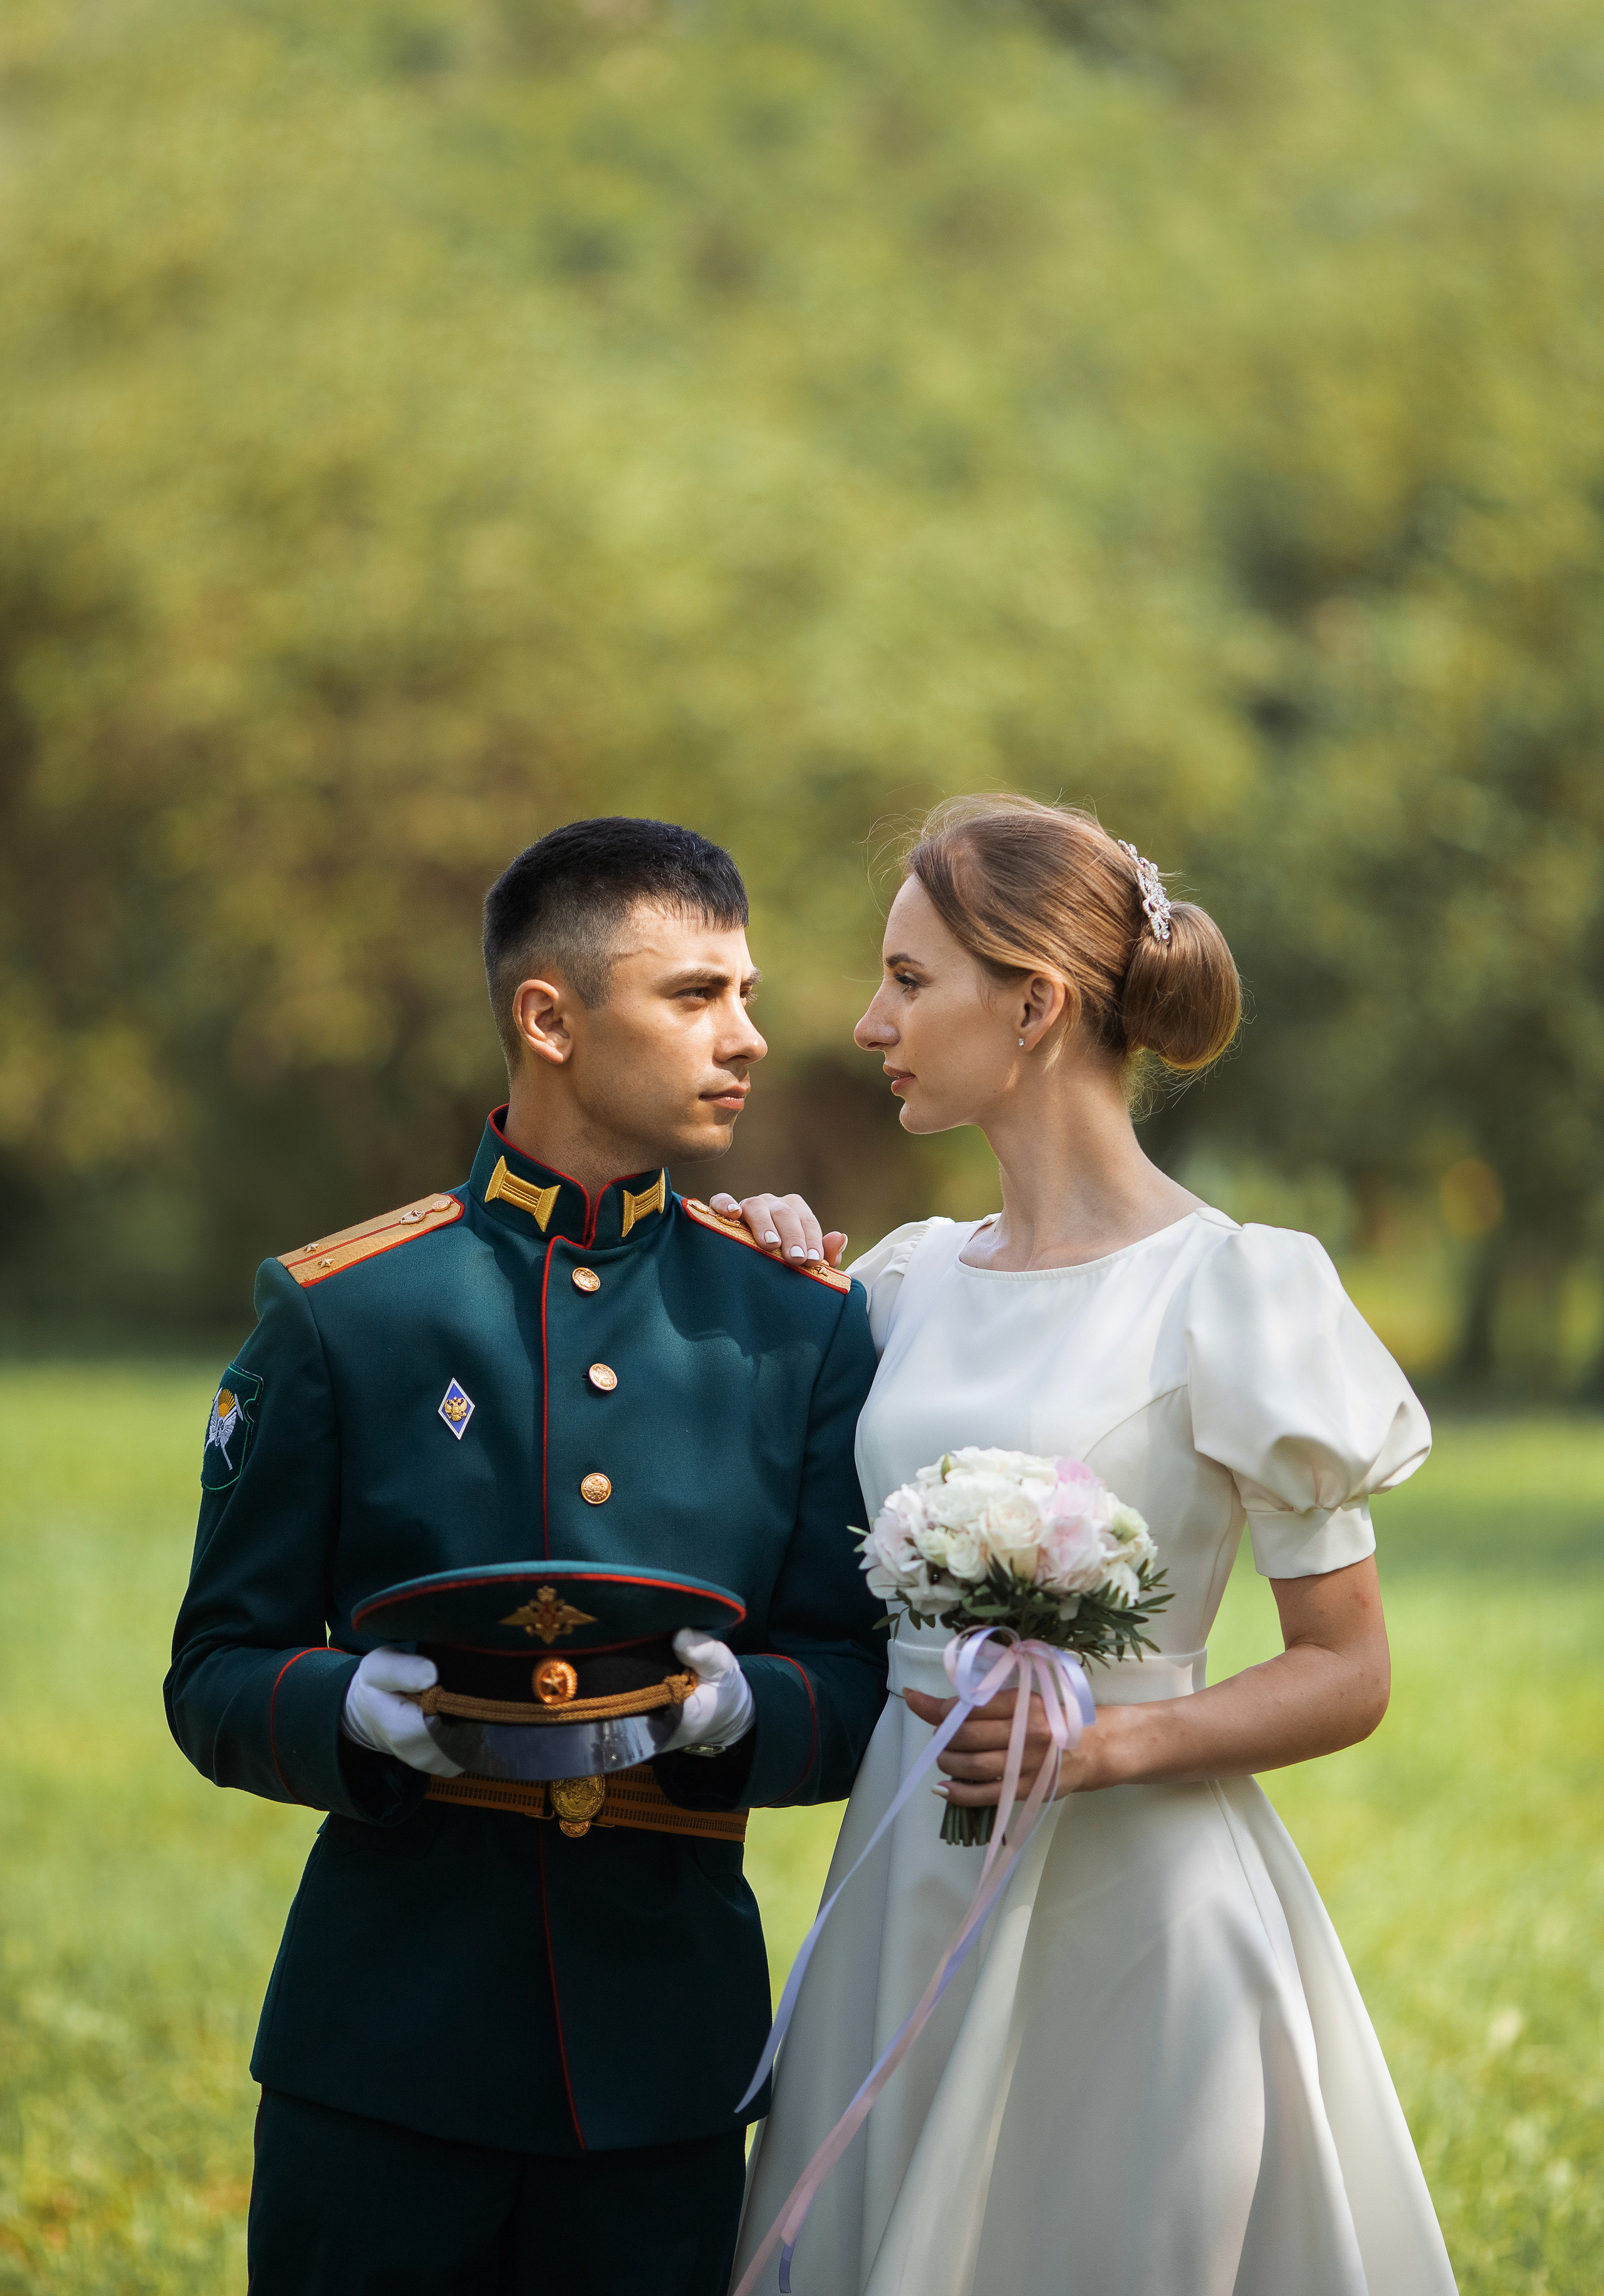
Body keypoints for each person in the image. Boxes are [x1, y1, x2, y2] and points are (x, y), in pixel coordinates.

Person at [724, 796, 1459, 2295]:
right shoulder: (900, 1283)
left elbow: (1346, 1671)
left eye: (909, 980)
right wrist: (756, 1273)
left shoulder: (1239, 1292)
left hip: (1135, 1906)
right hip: (903, 1874)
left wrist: (1103, 1750)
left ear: (1036, 1002)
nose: (870, 1023)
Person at [164, 816, 887, 2296]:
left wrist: (749, 1712)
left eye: (745, 993)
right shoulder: (343, 1313)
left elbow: (854, 1675)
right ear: (546, 1018)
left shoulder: (796, 1326)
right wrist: (339, 1713)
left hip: (664, 2070)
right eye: (694, 996)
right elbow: (215, 1671)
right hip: (379, 2058)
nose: (745, 1037)